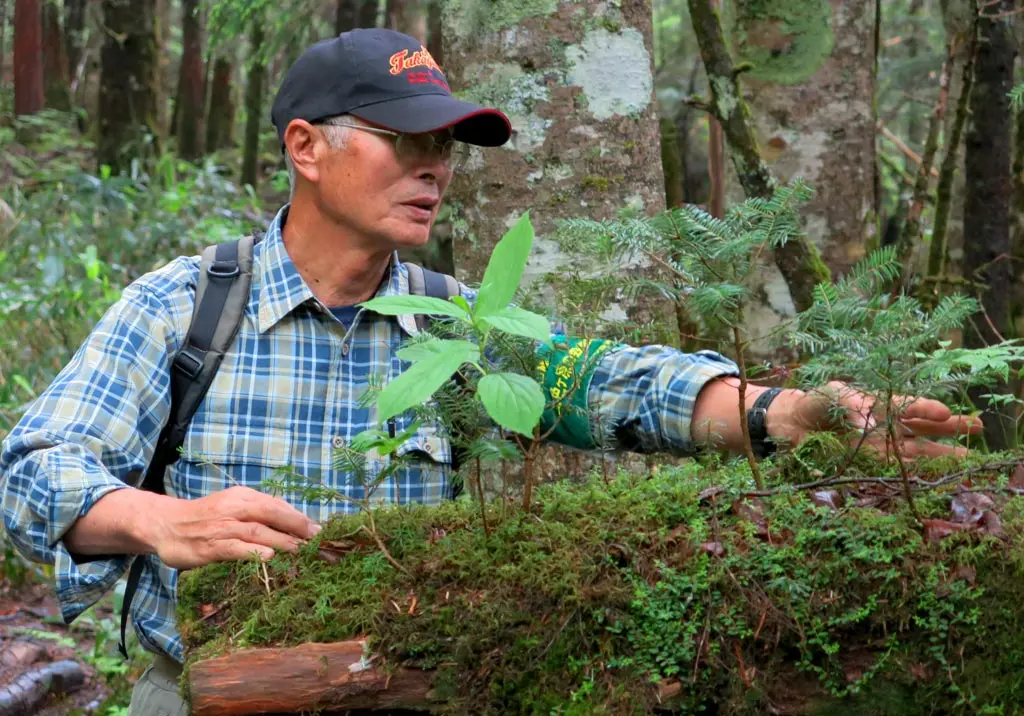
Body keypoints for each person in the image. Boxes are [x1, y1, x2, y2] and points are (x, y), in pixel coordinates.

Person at [0, 29, 980, 715]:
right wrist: (157, 518)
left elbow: (610, 384)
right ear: (305, 146)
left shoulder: (451, 324)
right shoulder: (186, 305)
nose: (436, 166)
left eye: (447, 146)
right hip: (207, 689)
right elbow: (33, 468)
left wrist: (785, 413)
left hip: (406, 684)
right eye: (406, 139)